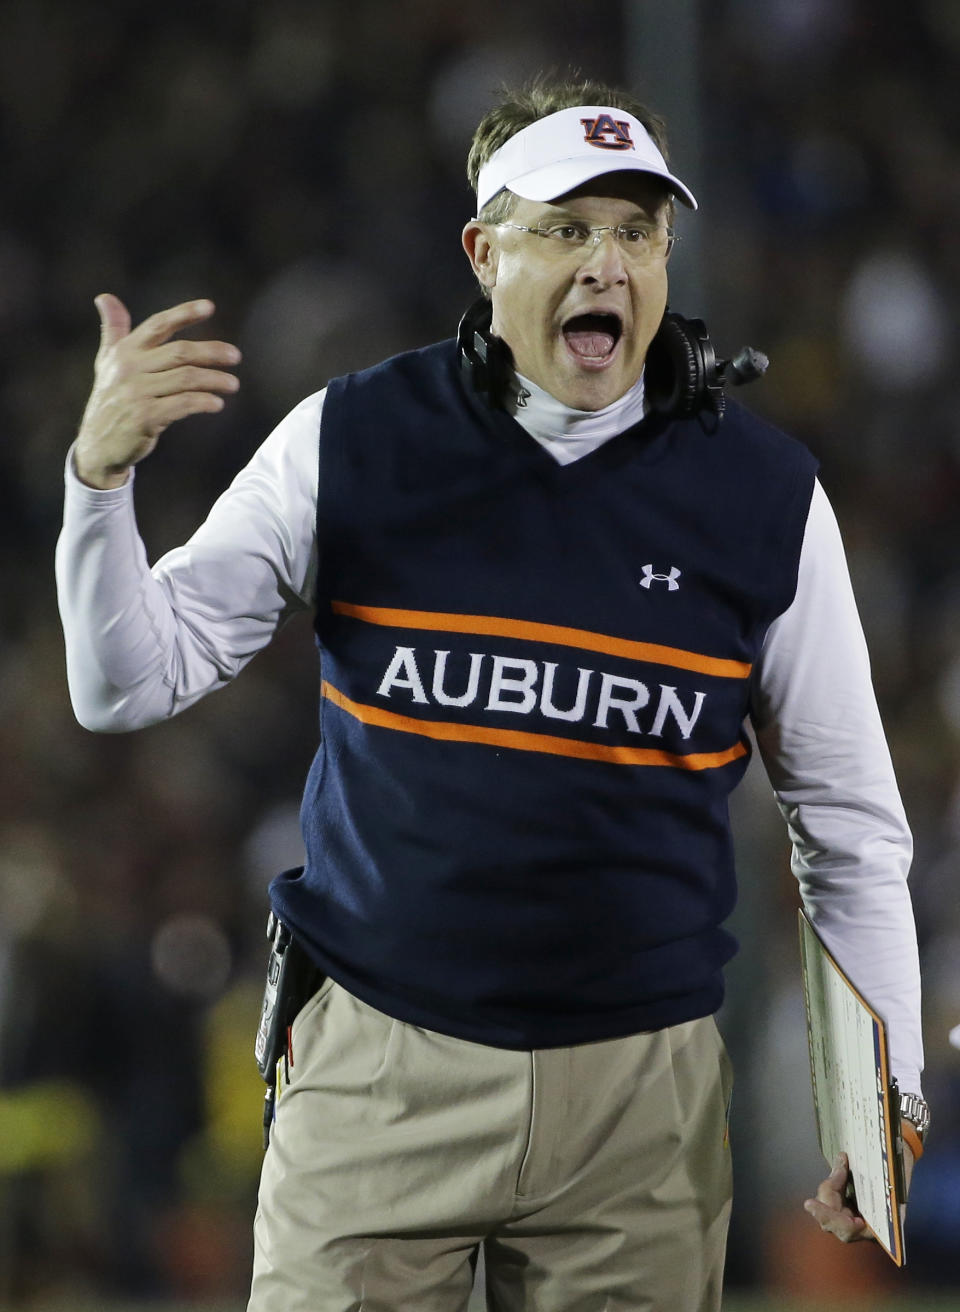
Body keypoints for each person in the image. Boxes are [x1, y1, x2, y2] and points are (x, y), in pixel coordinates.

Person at [56, 75, 926, 1311]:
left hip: (643, 1106)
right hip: (379, 1067)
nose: (606, 264)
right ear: (484, 251)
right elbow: (125, 682)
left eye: (636, 229)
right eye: (566, 229)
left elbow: (848, 820)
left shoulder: (769, 497)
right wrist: (97, 486)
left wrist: (878, 1090)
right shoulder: (350, 440)